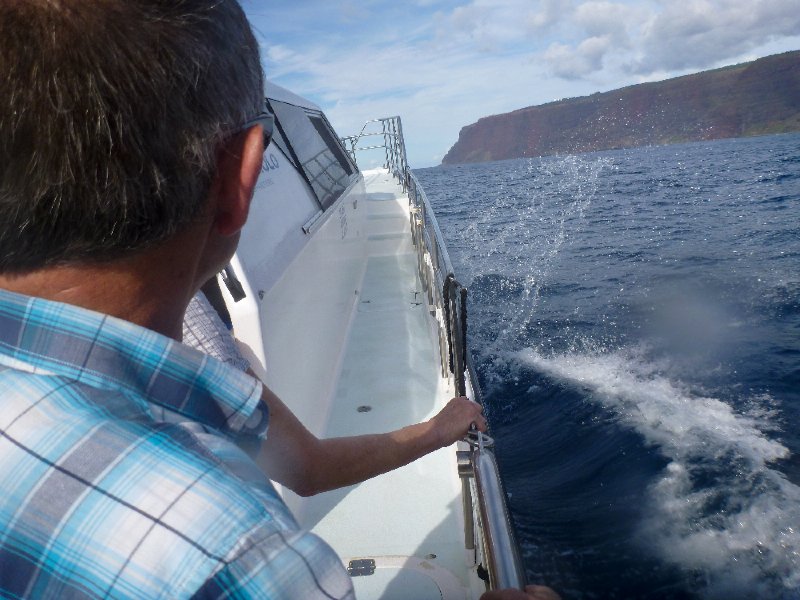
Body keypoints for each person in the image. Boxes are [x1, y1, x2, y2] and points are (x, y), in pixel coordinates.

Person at [0, 0, 487, 598]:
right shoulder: (239, 557)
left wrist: (435, 432)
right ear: (239, 177)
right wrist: (442, 432)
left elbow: (301, 467)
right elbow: (301, 470)